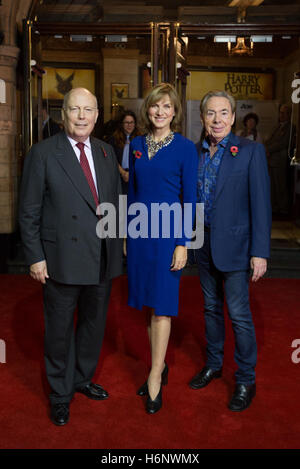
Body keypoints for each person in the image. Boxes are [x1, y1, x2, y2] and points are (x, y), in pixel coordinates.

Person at [19, 88, 123, 426]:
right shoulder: (44, 153)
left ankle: (82, 378)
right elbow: (29, 210)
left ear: (96, 115)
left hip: (102, 259)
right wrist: (35, 256)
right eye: (74, 109)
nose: (81, 116)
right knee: (60, 331)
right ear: (64, 114)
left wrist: (118, 247)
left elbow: (113, 206)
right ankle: (60, 394)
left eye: (88, 110)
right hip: (61, 258)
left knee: (93, 326)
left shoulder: (108, 152)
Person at [189, 90, 271, 412]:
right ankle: (214, 364)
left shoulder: (251, 151)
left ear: (234, 117)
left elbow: (261, 205)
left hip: (237, 248)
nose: (218, 119)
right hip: (204, 244)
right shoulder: (195, 152)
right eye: (211, 113)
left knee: (238, 315)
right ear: (203, 118)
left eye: (224, 113)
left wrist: (259, 251)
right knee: (210, 308)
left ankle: (245, 380)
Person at [126, 83, 198, 414]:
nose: (160, 112)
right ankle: (159, 364)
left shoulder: (185, 148)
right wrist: (127, 234)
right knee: (146, 302)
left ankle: (155, 373)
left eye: (166, 107)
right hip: (140, 234)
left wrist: (183, 243)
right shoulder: (136, 144)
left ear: (174, 112)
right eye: (155, 106)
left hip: (170, 235)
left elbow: (190, 200)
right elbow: (134, 191)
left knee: (163, 306)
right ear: (148, 109)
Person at [264, 104, 295, 215]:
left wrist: (268, 149)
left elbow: (284, 143)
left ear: (289, 114)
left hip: (281, 161)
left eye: (284, 113)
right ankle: (274, 208)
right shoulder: (277, 126)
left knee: (281, 185)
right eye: (280, 112)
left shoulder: (291, 128)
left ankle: (283, 209)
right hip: (271, 160)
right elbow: (268, 139)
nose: (281, 115)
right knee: (272, 186)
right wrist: (266, 148)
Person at [109, 110, 141, 194]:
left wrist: (131, 173)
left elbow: (142, 159)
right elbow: (111, 158)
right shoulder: (114, 139)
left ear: (135, 124)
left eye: (131, 122)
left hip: (135, 176)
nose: (129, 125)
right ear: (122, 124)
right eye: (126, 122)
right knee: (121, 202)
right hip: (118, 176)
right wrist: (123, 173)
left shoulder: (140, 140)